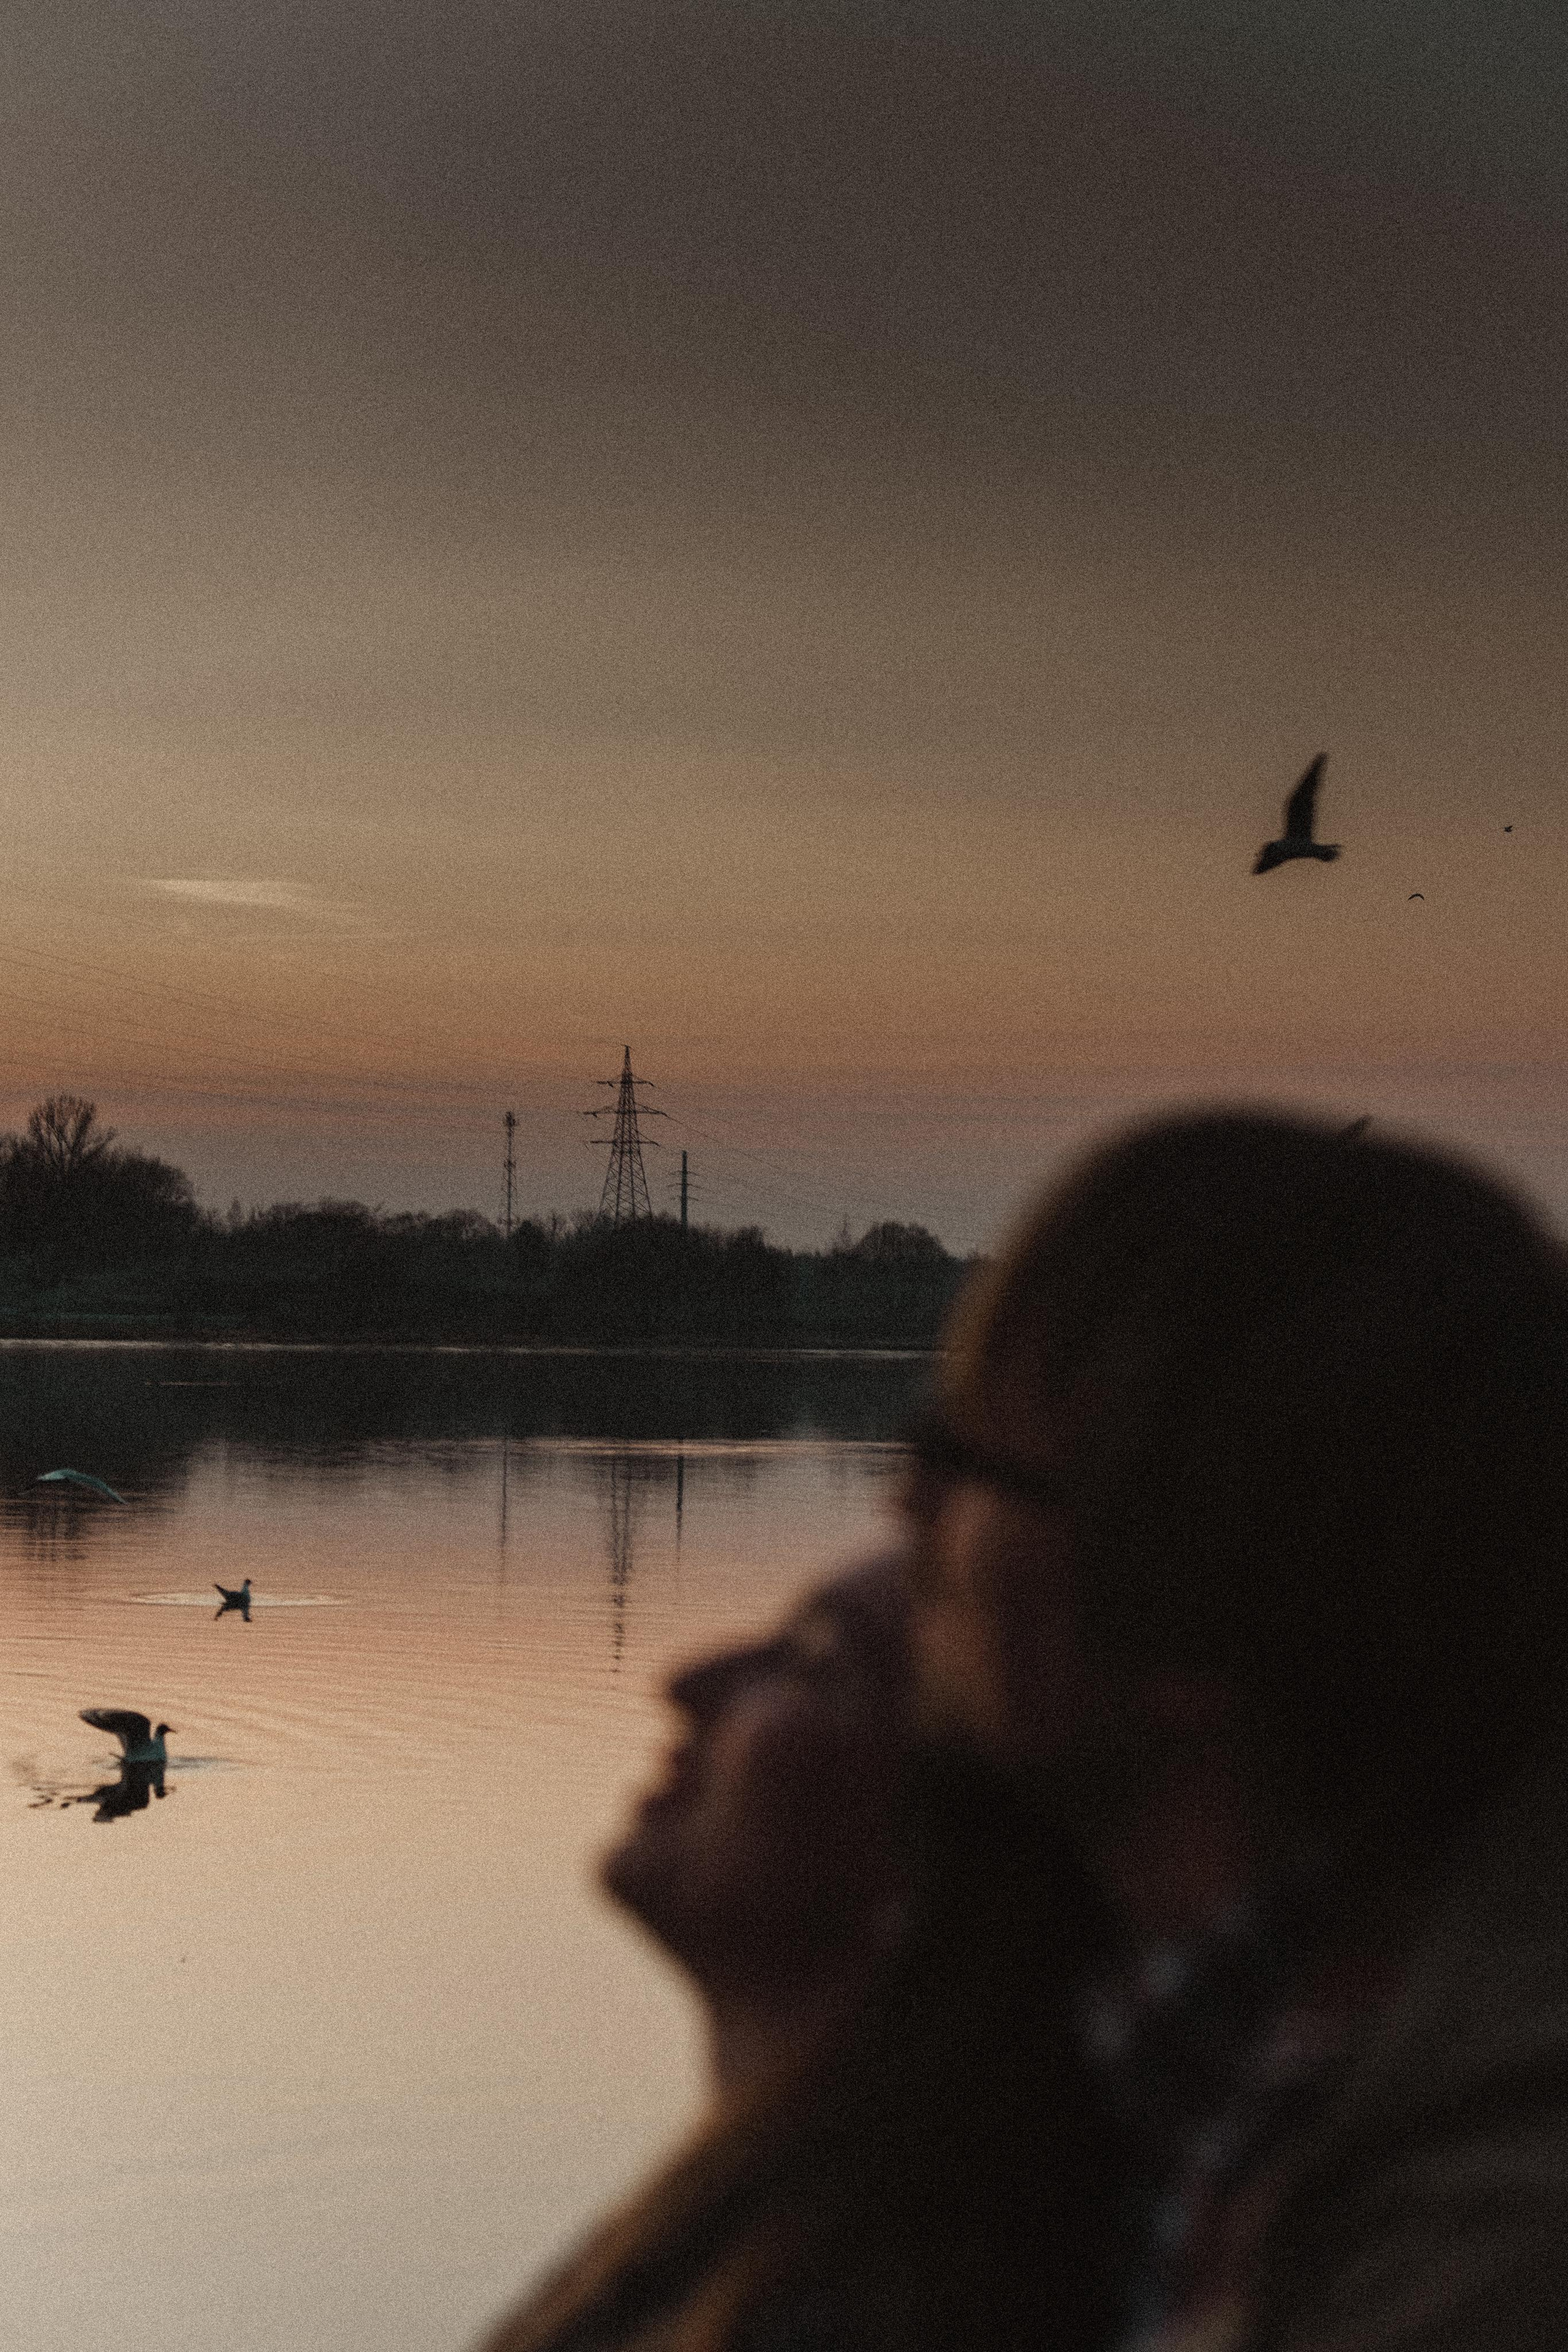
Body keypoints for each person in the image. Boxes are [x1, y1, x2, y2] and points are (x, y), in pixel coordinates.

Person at [900, 1107, 1568, 2351]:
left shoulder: (1479, 2217)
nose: (906, 1510)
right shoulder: (1233, 2074)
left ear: (1183, 1597)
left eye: (961, 1459)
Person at [477, 1562, 1126, 2352]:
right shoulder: (766, 2213)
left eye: (818, 1666)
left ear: (925, 1859)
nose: (690, 1681)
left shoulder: (877, 2302)